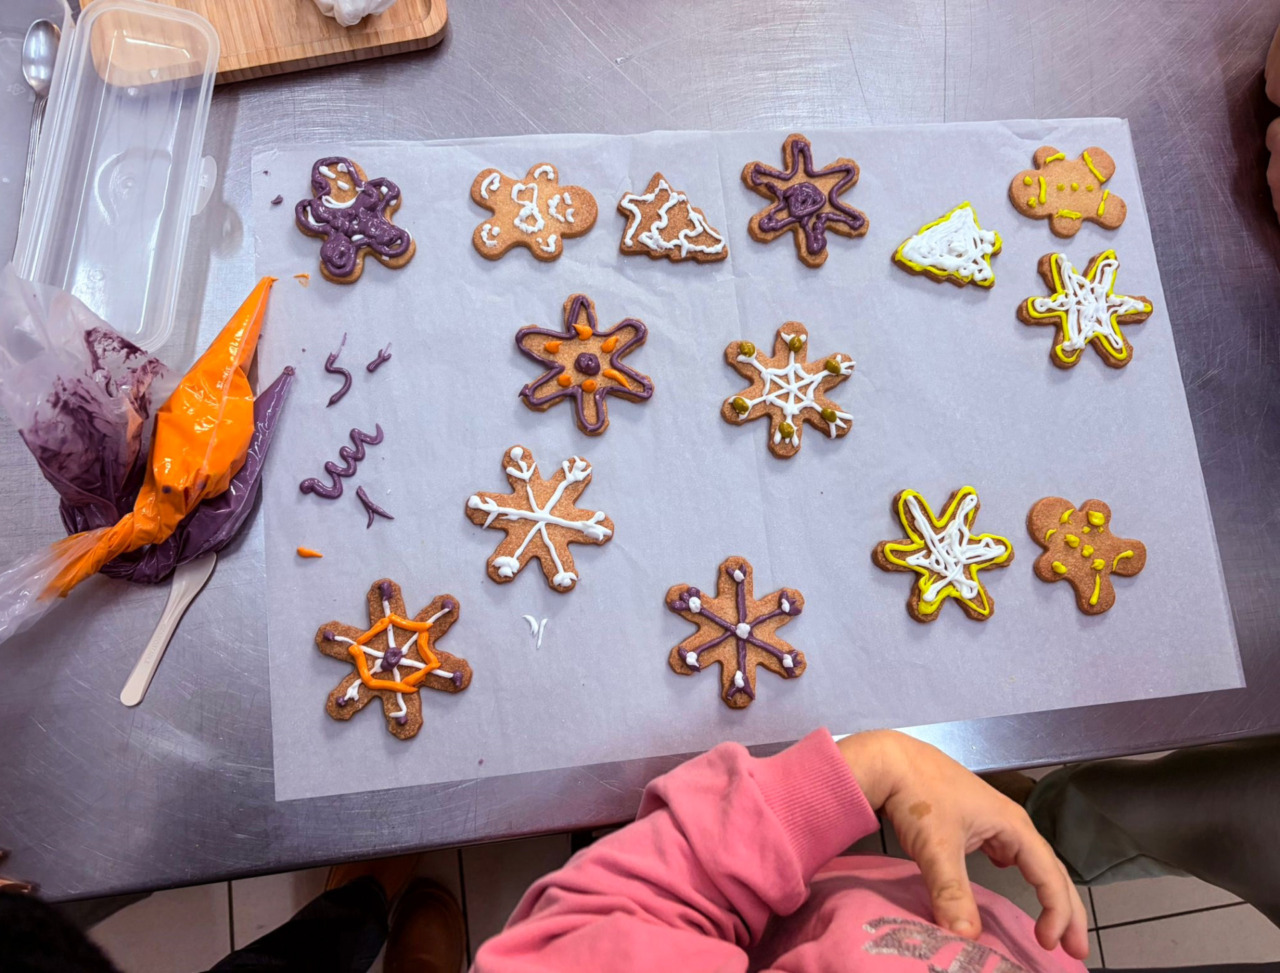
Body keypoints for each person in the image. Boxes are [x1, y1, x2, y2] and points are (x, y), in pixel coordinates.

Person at [0, 729, 1088, 972]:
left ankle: (364, 922)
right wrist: (873, 779)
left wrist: (867, 771)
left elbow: (600, 933)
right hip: (888, 897)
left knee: (294, 962)